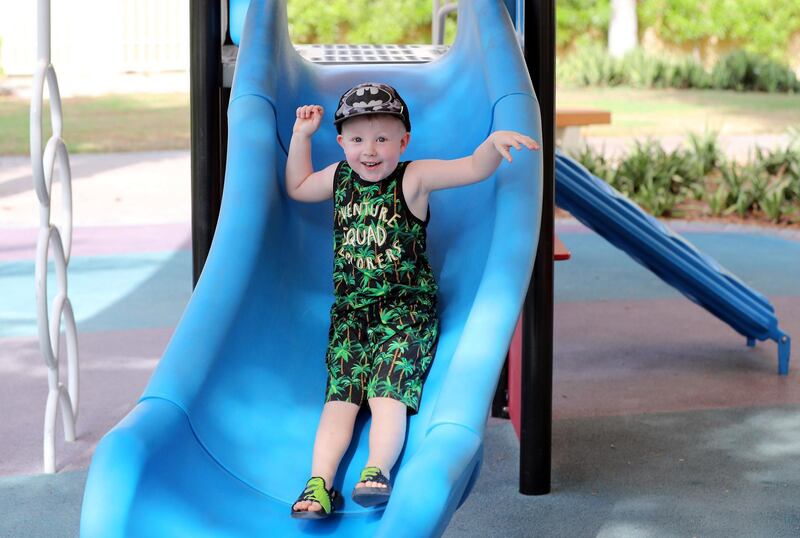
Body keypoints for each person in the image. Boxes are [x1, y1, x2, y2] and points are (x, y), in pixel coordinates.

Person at [286, 82, 539, 518]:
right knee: (339, 401)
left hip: (404, 316)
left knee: (387, 395)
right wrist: (300, 137)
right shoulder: (338, 177)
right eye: (358, 139)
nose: (370, 150)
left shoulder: (414, 177)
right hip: (351, 317)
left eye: (383, 138)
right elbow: (299, 186)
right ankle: (319, 483)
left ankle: (376, 470)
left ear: (403, 141)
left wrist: (493, 146)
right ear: (342, 141)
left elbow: (471, 169)